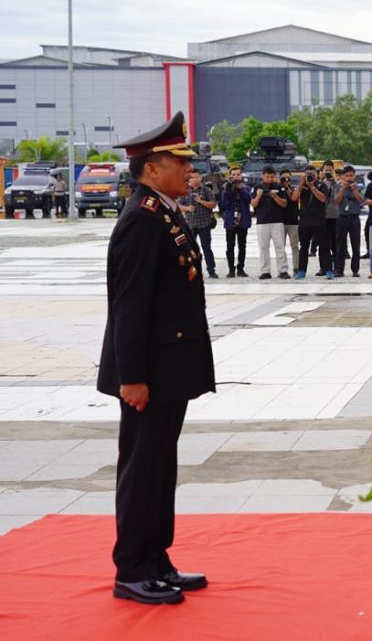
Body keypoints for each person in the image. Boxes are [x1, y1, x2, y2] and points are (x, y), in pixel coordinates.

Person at [98, 112, 214, 605]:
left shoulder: (162, 210)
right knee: (143, 467)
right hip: (148, 373)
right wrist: (133, 377)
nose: (190, 171)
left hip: (170, 368)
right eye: (179, 162)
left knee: (161, 465)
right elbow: (129, 308)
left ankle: (156, 559)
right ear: (151, 168)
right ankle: (132, 568)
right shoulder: (141, 222)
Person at [293, 164, 332, 279]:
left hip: (319, 220)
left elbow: (323, 198)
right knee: (303, 247)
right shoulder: (302, 186)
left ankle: (329, 270)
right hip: (304, 221)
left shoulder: (322, 185)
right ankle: (301, 271)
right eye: (308, 175)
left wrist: (312, 187)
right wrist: (301, 185)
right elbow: (294, 198)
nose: (311, 177)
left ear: (317, 175)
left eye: (313, 175)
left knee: (324, 246)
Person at [251, 165, 290, 280]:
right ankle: (265, 271)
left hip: (277, 221)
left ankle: (283, 270)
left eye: (272, 177)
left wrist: (275, 197)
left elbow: (284, 203)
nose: (269, 179)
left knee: (280, 246)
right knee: (263, 247)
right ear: (263, 176)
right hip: (262, 221)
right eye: (267, 177)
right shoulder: (257, 187)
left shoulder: (278, 187)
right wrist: (258, 195)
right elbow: (253, 204)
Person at [178, 170, 218, 278]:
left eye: (197, 177)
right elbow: (178, 205)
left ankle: (211, 270)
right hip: (190, 224)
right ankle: (193, 270)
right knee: (190, 249)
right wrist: (187, 208)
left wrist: (201, 201)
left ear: (201, 178)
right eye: (192, 178)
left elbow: (213, 205)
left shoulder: (206, 190)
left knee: (206, 247)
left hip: (204, 224)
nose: (194, 180)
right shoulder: (184, 191)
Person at [219, 166, 251, 278]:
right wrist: (228, 190)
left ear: (241, 176)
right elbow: (223, 204)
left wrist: (240, 188)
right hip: (230, 221)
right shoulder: (226, 188)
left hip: (243, 220)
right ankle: (231, 269)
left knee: (242, 246)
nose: (236, 177)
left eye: (238, 174)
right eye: (233, 175)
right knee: (230, 246)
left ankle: (241, 268)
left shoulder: (245, 187)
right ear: (230, 176)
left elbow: (248, 199)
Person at [333, 165, 364, 277]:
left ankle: (355, 269)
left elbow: (361, 200)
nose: (349, 178)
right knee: (340, 244)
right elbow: (336, 201)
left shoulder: (357, 187)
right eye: (347, 176)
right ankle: (339, 269)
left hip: (354, 218)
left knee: (356, 244)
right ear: (342, 177)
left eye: (351, 175)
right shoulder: (338, 186)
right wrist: (343, 188)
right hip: (342, 218)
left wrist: (354, 190)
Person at [320, 160, 340, 271]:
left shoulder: (337, 183)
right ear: (322, 171)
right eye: (326, 170)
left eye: (330, 170)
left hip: (336, 216)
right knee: (323, 244)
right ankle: (324, 268)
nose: (327, 172)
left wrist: (334, 182)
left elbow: (338, 197)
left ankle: (337, 267)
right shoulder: (320, 183)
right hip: (323, 217)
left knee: (335, 244)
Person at [278, 168, 300, 266]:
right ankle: (282, 268)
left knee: (295, 246)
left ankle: (296, 267)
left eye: (288, 178)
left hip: (293, 221)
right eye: (284, 178)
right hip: (280, 221)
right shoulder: (277, 189)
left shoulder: (294, 189)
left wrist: (287, 187)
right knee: (280, 247)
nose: (286, 180)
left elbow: (293, 198)